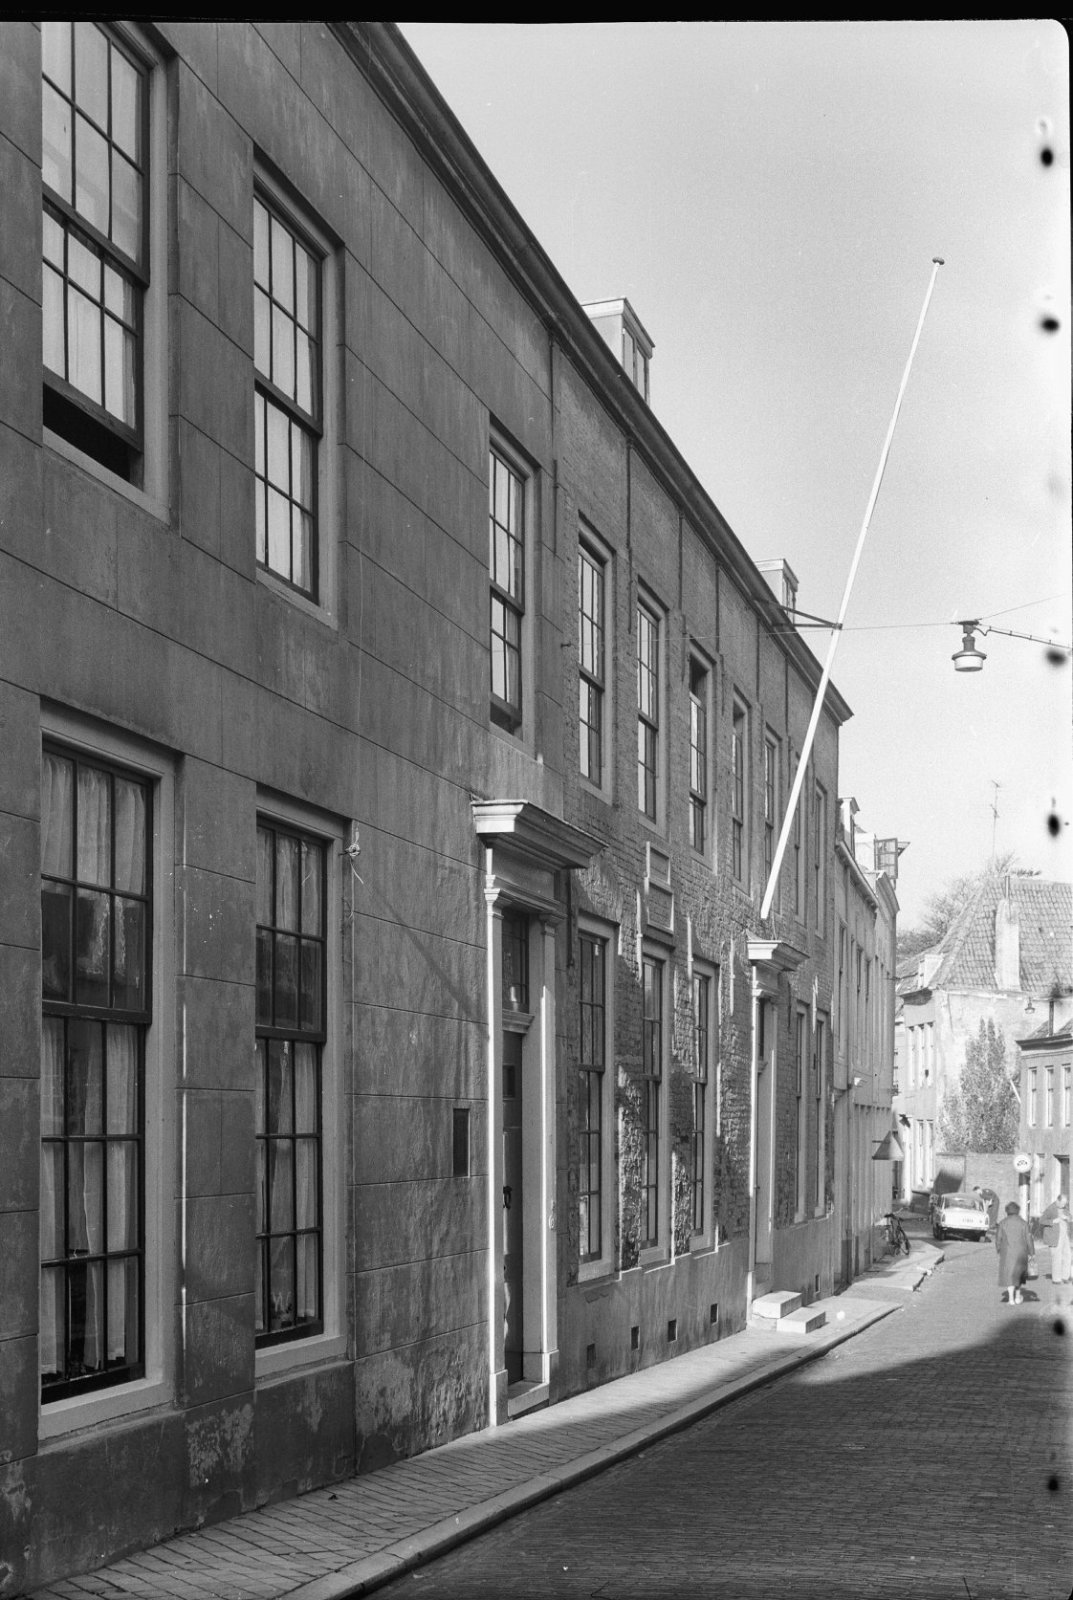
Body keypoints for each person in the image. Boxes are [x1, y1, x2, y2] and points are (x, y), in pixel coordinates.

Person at [995, 1200, 1035, 1303]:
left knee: (1009, 1276)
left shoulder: (1002, 1223)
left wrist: (999, 1249)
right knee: (1018, 1275)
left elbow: (998, 1238)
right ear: (1018, 1211)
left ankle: (1011, 1299)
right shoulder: (1024, 1223)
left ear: (1007, 1211)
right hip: (1021, 1253)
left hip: (1007, 1253)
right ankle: (1017, 1297)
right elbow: (1029, 1239)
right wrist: (1032, 1253)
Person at [1051, 1196, 1072, 1285]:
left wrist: (1067, 1218)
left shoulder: (1065, 1209)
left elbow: (1071, 1218)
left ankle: (1065, 1277)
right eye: (1062, 1203)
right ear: (1057, 1201)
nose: (1064, 1205)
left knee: (1068, 1255)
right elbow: (1042, 1220)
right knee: (1057, 1256)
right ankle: (1056, 1279)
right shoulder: (1051, 1209)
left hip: (1065, 1235)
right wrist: (1052, 1221)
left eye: (1065, 1203)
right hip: (1056, 1235)